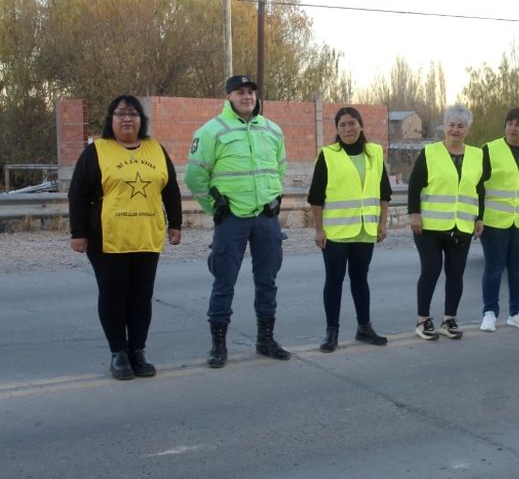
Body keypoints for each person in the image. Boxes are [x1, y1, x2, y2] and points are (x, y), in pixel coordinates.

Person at [69, 95, 182, 380]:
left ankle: (137, 351)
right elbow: (78, 193)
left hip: (147, 236)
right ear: (111, 119)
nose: (127, 119)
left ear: (142, 120)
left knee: (141, 297)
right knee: (114, 295)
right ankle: (118, 352)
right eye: (121, 114)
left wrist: (176, 224)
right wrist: (78, 233)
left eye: (133, 114)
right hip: (107, 239)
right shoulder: (97, 151)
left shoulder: (156, 149)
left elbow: (170, 189)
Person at [184, 75, 290, 368]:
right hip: (231, 219)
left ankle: (266, 340)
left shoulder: (272, 130)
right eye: (240, 92)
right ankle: (218, 346)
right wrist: (214, 208)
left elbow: (279, 169)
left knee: (267, 281)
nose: (247, 96)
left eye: (251, 92)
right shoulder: (211, 131)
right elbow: (194, 176)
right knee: (224, 282)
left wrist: (272, 195)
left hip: (265, 217)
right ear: (228, 96)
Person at [308, 107, 392, 352]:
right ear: (337, 129)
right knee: (334, 281)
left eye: (352, 123)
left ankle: (364, 327)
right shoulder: (328, 155)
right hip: (336, 233)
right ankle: (331, 332)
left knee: (360, 279)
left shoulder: (374, 152)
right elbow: (315, 197)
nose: (348, 129)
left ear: (360, 125)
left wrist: (382, 222)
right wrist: (319, 230)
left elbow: (384, 192)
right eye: (342, 125)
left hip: (365, 230)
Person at [408, 105, 487, 340]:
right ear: (444, 127)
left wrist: (480, 217)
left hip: (462, 225)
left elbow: (479, 189)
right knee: (431, 270)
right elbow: (414, 185)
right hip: (429, 227)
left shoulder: (477, 155)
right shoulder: (429, 153)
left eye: (461, 126)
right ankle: (423, 320)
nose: (455, 130)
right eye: (451, 125)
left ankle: (449, 319)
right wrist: (414, 214)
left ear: (468, 129)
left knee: (455, 274)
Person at [479, 107, 519, 332]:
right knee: (494, 267)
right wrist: (478, 216)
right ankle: (489, 313)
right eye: (510, 123)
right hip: (495, 220)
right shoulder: (490, 149)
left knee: (518, 268)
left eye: (518, 125)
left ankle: (517, 313)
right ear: (505, 126)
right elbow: (479, 185)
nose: (513, 128)